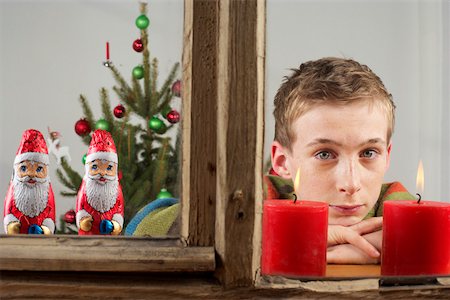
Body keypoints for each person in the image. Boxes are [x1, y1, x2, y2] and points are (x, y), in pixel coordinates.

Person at [266, 57, 415, 264]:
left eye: (369, 153)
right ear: (282, 162)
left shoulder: (394, 201)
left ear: (387, 156)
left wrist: (390, 245)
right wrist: (307, 240)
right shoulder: (260, 196)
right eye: (324, 154)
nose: (351, 184)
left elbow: (432, 232)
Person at [3, 129, 56, 234]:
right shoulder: (14, 189)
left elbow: (50, 211)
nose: (31, 175)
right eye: (23, 168)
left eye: (39, 169)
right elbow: (9, 209)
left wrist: (47, 228)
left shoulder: (46, 190)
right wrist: (11, 225)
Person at [76, 129, 124, 235]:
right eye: (95, 167)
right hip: (89, 233)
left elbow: (119, 210)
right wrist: (83, 221)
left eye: (109, 167)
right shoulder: (85, 188)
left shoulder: (116, 188)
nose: (102, 173)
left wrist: (116, 224)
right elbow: (80, 208)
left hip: (110, 233)